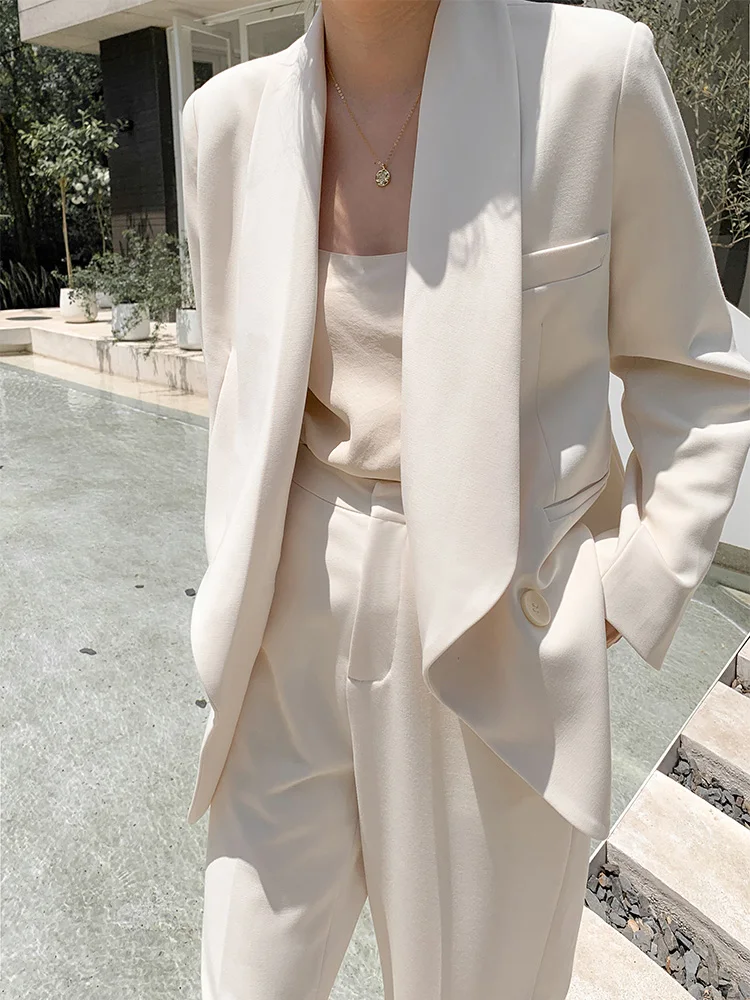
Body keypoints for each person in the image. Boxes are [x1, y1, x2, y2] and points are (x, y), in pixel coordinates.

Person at [180, 0, 750, 997]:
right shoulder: (225, 121)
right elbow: (238, 385)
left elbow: (695, 370)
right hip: (284, 622)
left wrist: (625, 590)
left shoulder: (592, 76)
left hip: (500, 621)